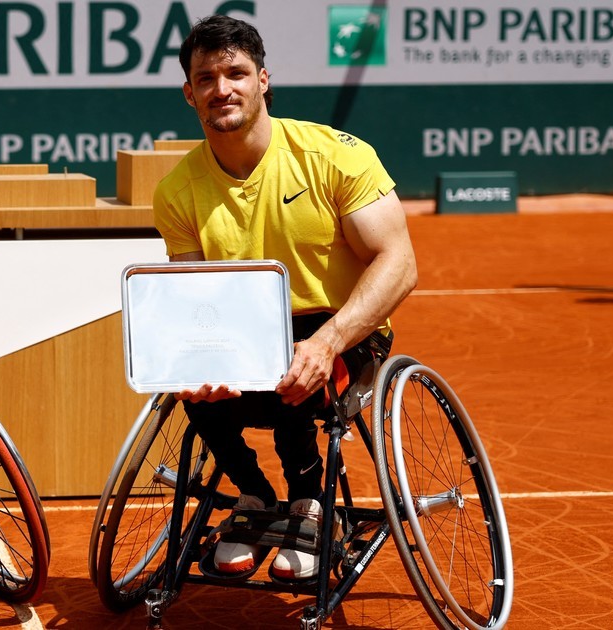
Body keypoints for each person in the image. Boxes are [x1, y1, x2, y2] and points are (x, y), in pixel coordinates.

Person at [152, 15, 417, 582]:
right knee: (192, 380)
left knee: (297, 361)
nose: (222, 88)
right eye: (205, 78)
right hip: (249, 337)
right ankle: (255, 497)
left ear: (263, 80)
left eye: (235, 73)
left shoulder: (334, 156)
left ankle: (309, 501)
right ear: (189, 93)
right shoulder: (176, 191)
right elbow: (194, 299)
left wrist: (327, 341)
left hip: (344, 334)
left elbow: (399, 264)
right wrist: (197, 358)